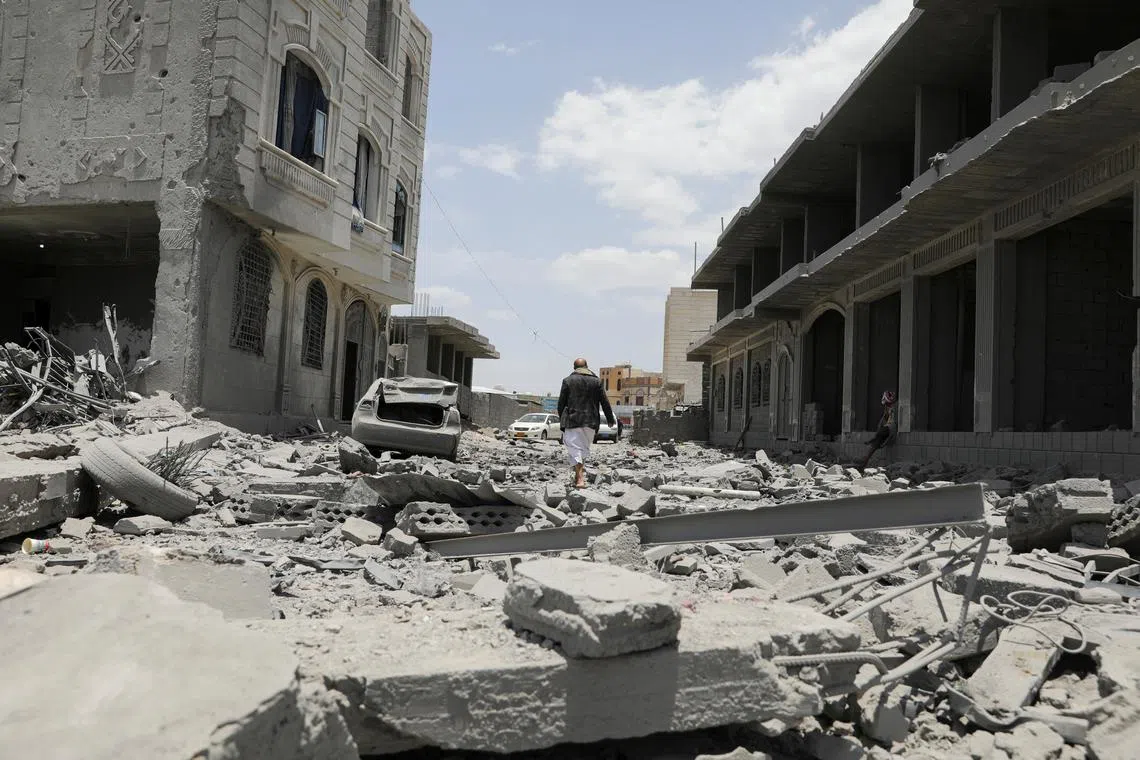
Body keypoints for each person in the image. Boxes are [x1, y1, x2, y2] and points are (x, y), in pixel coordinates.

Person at [557, 357, 616, 488]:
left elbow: (561, 403)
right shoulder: (596, 382)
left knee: (575, 448)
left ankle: (580, 478)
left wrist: (562, 419)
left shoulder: (567, 381)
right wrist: (610, 419)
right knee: (582, 448)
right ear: (587, 366)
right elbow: (604, 402)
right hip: (591, 421)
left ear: (574, 368)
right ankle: (578, 475)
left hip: (572, 420)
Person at [860, 390, 896, 470]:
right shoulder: (887, 408)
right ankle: (863, 463)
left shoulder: (895, 407)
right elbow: (883, 419)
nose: (886, 404)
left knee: (880, 434)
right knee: (875, 444)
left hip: (890, 428)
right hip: (885, 429)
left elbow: (893, 423)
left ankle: (872, 439)